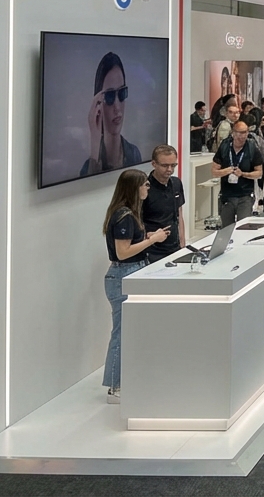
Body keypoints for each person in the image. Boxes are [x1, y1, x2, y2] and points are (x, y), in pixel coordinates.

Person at [101, 169, 168, 403]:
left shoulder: (129, 215)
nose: (147, 189)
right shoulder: (123, 216)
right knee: (121, 332)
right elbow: (122, 252)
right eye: (145, 185)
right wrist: (151, 240)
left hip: (133, 272)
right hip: (123, 276)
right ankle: (115, 386)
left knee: (131, 330)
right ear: (134, 188)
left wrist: (147, 236)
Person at [81, 51, 143, 177]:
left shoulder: (134, 153)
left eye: (122, 93)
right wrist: (95, 140)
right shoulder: (88, 167)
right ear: (98, 103)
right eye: (109, 96)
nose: (117, 107)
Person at [211, 120, 262, 226]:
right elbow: (214, 172)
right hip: (227, 196)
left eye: (245, 132)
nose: (242, 136)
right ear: (233, 133)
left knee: (242, 228)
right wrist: (227, 171)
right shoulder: (224, 147)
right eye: (239, 132)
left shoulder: (252, 148)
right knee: (226, 229)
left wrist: (243, 174)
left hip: (245, 196)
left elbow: (259, 173)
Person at [143, 145, 185, 261]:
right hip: (153, 251)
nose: (170, 169)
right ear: (154, 164)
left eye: (173, 165)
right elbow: (137, 221)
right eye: (165, 165)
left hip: (174, 248)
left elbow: (179, 215)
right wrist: (148, 236)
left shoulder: (176, 183)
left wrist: (182, 244)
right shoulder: (144, 188)